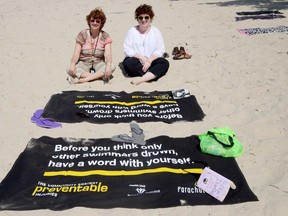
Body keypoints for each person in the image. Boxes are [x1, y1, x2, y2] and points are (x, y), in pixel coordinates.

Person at [123, 4, 169, 85]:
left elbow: (160, 50)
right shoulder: (132, 31)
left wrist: (149, 60)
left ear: (150, 19)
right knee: (128, 63)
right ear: (137, 19)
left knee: (164, 63)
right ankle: (151, 75)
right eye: (140, 17)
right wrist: (142, 58)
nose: (143, 20)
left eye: (146, 17)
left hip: (152, 61)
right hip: (136, 61)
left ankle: (140, 80)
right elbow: (127, 49)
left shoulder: (155, 31)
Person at [67, 8, 115, 84]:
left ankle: (83, 79)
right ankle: (98, 77)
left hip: (99, 62)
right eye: (92, 20)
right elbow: (76, 53)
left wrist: (108, 65)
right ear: (89, 22)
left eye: (98, 21)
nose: (95, 23)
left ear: (101, 23)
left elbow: (108, 54)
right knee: (69, 68)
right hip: (84, 62)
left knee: (112, 66)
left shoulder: (105, 36)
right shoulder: (82, 34)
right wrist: (72, 64)